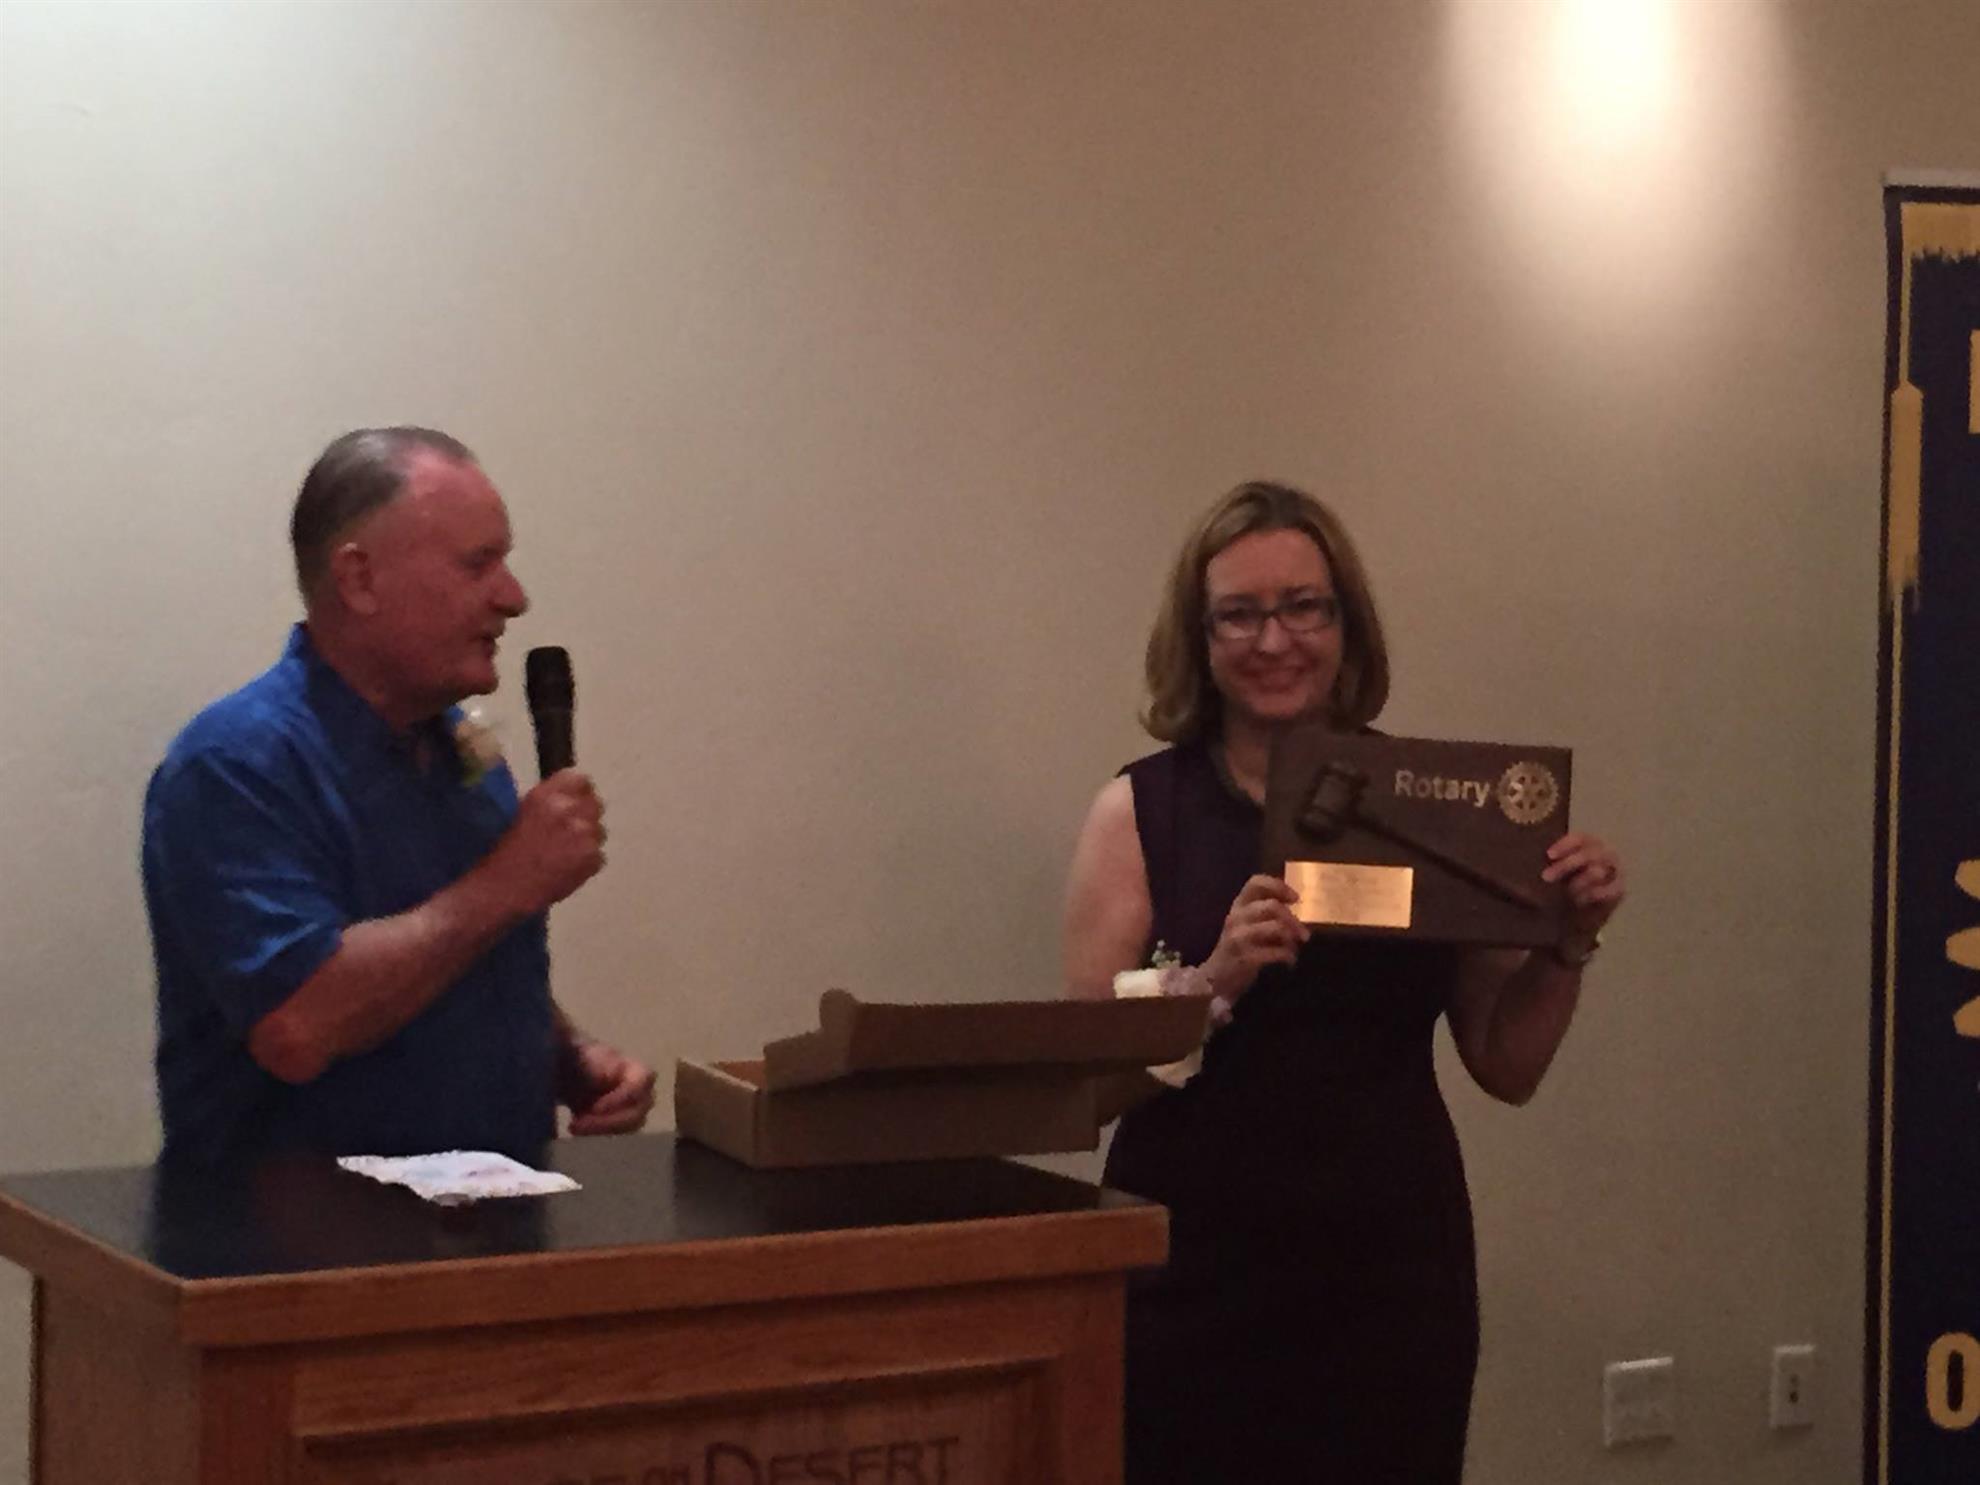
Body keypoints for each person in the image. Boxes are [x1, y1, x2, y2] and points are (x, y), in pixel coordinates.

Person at [1063, 480, 1625, 1483]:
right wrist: (1212, 982)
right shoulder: (1140, 811)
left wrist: (1567, 942)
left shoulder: (1433, 804)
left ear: (1344, 623)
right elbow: (1081, 1083)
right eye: (1240, 614)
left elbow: (1506, 1064)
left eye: (1303, 607)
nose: (1274, 640)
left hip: (1390, 1271)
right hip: (1188, 1266)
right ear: (1199, 638)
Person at [144, 427, 655, 1165]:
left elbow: (453, 953)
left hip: (495, 1214)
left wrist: (566, 1053)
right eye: (478, 564)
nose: (513, 598)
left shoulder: (455, 748)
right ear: (359, 579)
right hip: (295, 1231)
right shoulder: (236, 765)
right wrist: (511, 880)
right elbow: (298, 1025)